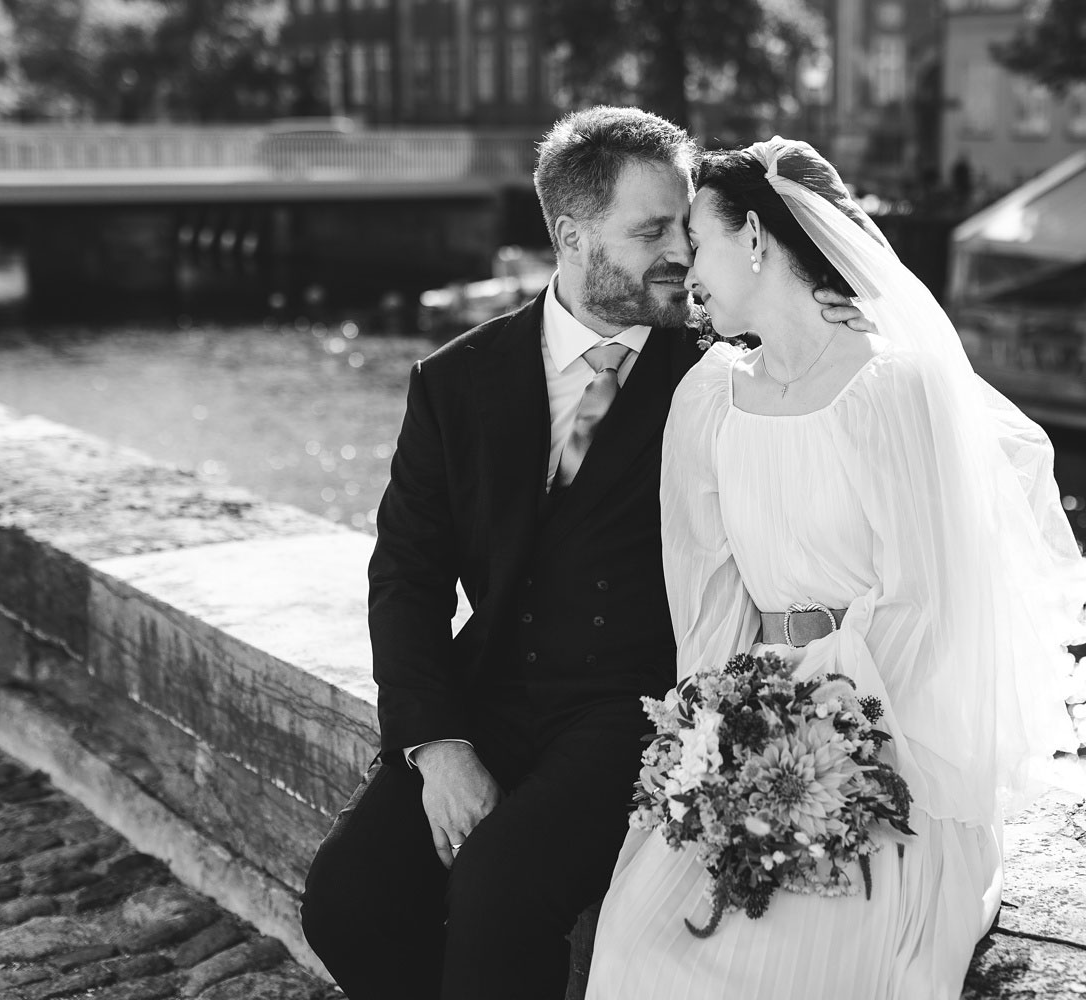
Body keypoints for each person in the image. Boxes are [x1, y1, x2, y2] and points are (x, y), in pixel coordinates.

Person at [297, 109, 868, 1000]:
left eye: (684, 226)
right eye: (650, 233)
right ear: (570, 235)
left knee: (498, 895)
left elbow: (846, 403)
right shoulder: (455, 379)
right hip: (485, 696)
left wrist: (831, 318)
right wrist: (438, 744)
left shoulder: (723, 365)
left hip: (629, 712)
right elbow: (405, 578)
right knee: (345, 900)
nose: (680, 251)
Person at [585, 137, 1086, 999]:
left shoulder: (891, 387)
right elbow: (707, 599)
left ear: (752, 239)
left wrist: (815, 732)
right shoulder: (708, 396)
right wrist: (712, 743)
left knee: (801, 962)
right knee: (637, 939)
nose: (686, 266)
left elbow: (924, 603)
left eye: (698, 241)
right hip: (750, 728)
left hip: (882, 738)